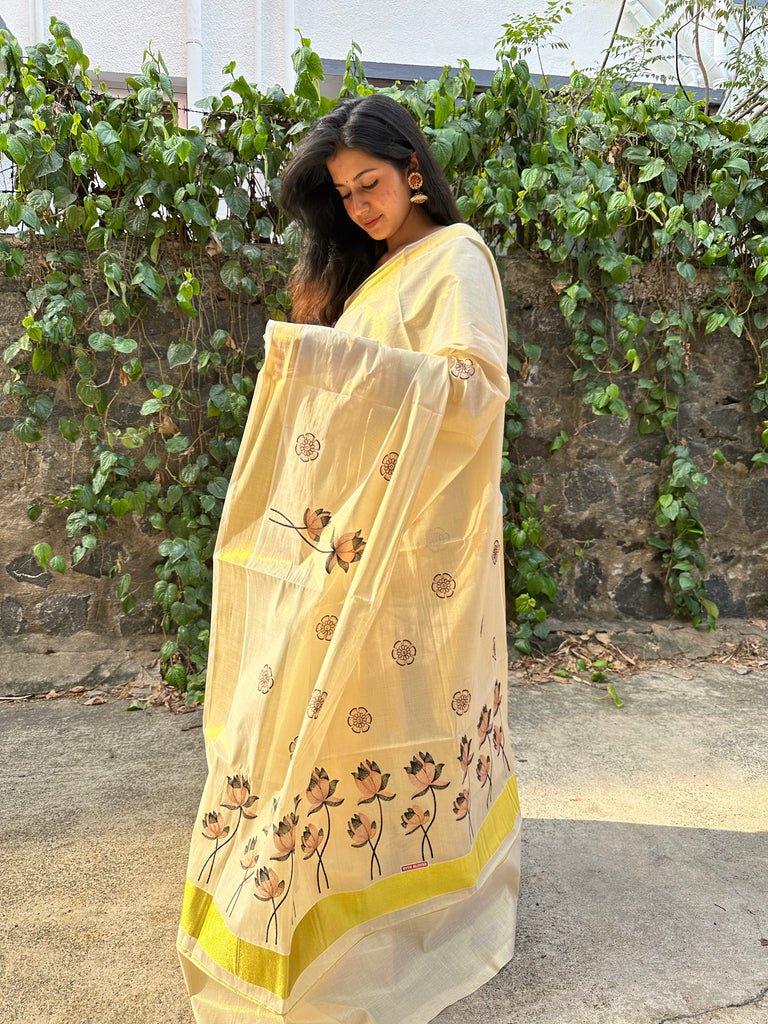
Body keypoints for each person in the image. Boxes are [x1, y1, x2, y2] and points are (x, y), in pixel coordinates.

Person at [178, 93, 521, 1024]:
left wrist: (331, 365)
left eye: (370, 184)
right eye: (343, 193)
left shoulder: (456, 257)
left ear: (413, 169)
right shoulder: (375, 274)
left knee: (385, 709)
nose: (360, 206)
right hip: (350, 539)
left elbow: (473, 389)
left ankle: (406, 898)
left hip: (418, 543)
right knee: (318, 704)